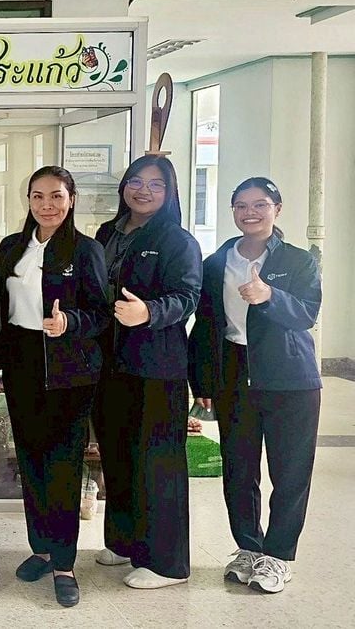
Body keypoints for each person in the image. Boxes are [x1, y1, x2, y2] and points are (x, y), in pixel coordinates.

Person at [189, 178, 322, 594]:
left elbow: (307, 314)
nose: (251, 212)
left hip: (290, 379)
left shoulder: (298, 260)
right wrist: (202, 380)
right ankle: (248, 547)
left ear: (276, 209)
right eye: (241, 205)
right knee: (239, 468)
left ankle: (278, 556)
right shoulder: (216, 263)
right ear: (232, 210)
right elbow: (206, 324)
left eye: (260, 204)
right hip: (234, 377)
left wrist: (269, 295)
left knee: (289, 472)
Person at [0, 167, 109, 607]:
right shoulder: (12, 247)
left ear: (71, 199)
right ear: (28, 200)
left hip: (68, 371)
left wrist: (69, 322)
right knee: (31, 461)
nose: (47, 205)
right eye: (38, 196)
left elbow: (101, 314)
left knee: (62, 467)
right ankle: (40, 548)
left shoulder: (86, 250)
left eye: (56, 196)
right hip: (21, 365)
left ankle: (64, 564)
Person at [91, 155, 202, 588]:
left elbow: (187, 296)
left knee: (158, 462)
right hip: (110, 363)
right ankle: (124, 542)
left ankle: (166, 563)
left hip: (157, 366)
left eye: (156, 184)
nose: (144, 190)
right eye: (136, 181)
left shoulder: (177, 240)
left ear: (170, 192)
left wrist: (149, 312)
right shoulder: (108, 233)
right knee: (118, 455)